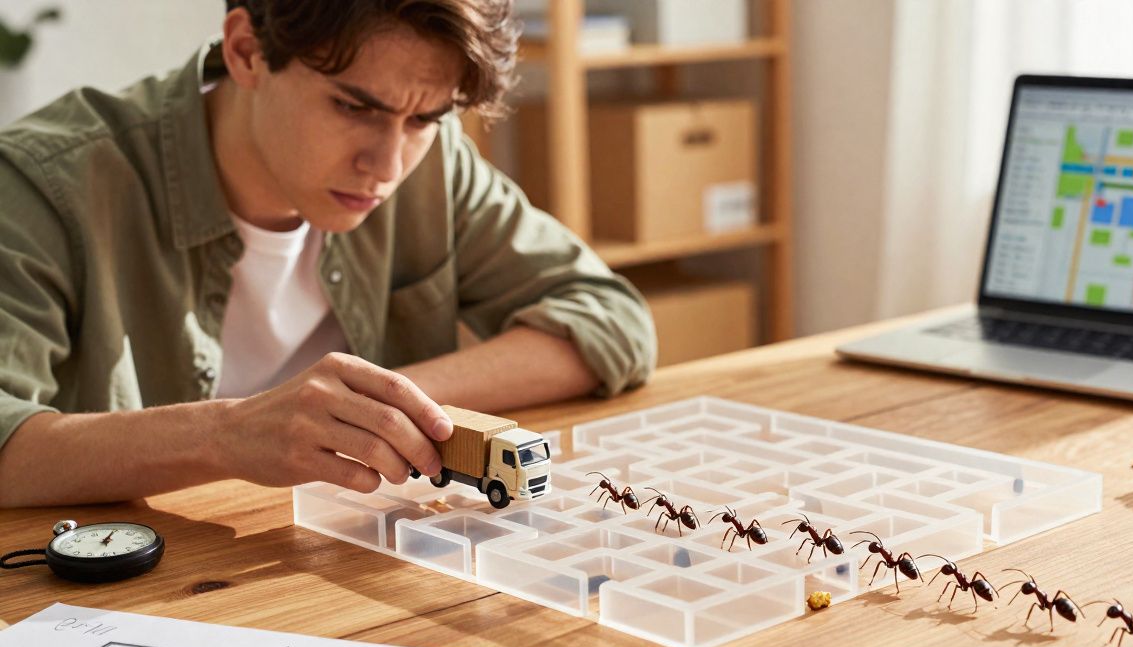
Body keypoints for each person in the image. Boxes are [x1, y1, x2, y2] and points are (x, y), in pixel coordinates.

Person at [0, 0, 656, 508]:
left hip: (353, 571)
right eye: (352, 106)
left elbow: (610, 318)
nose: (388, 165)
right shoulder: (43, 186)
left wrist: (366, 410)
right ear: (247, 52)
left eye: (426, 119)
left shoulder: (436, 162)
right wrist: (224, 434)